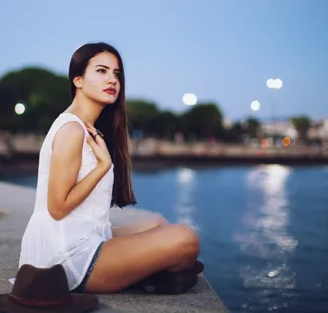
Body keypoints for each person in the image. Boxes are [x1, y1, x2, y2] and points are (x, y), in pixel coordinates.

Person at [18, 42, 202, 294]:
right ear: (78, 80)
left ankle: (150, 274)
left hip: (83, 238)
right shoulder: (72, 129)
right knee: (186, 238)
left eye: (116, 74)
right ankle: (153, 275)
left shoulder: (88, 127)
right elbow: (57, 207)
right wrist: (102, 166)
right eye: (102, 71)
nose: (112, 80)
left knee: (158, 223)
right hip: (63, 260)